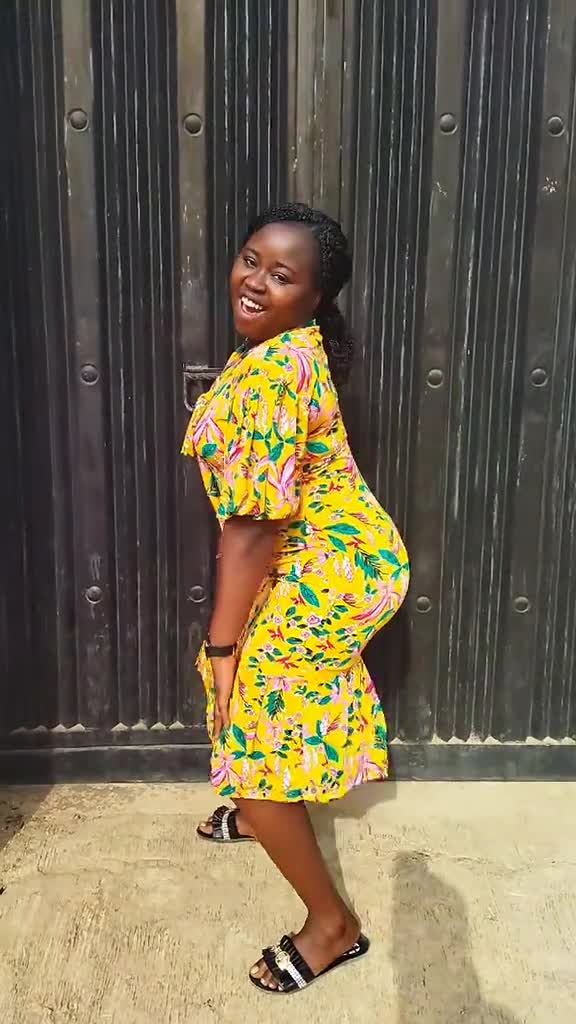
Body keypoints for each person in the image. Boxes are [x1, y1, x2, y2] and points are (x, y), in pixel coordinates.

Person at [181, 202, 410, 993]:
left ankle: (331, 926)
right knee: (248, 696)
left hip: (331, 569)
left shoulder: (278, 369)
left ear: (315, 298)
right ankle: (257, 815)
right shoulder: (274, 347)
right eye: (251, 260)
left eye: (282, 275)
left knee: (246, 721)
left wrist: (222, 647)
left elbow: (252, 529)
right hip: (318, 556)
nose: (255, 281)